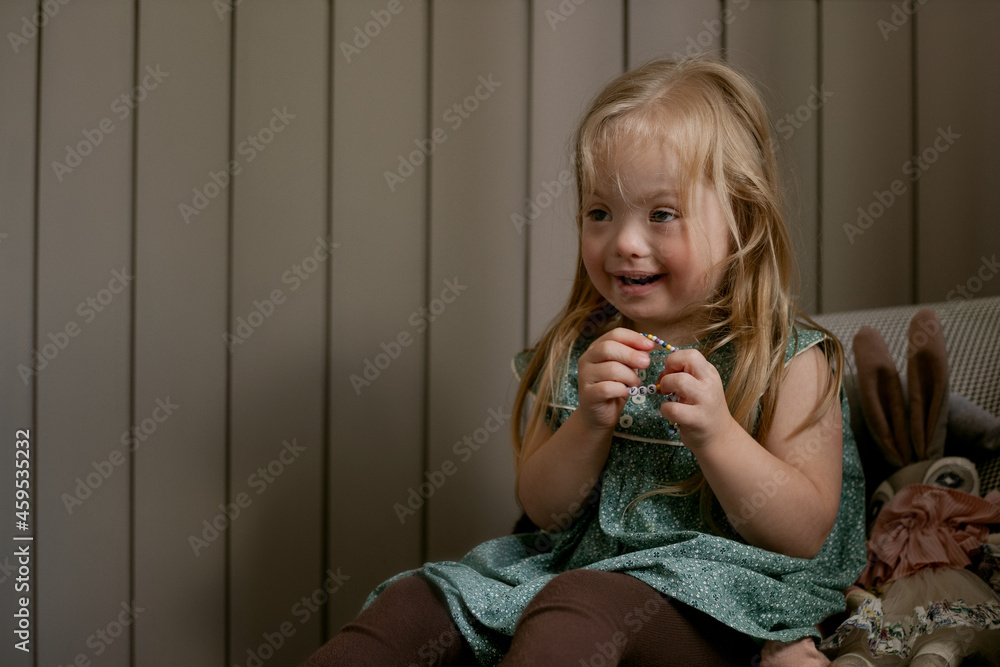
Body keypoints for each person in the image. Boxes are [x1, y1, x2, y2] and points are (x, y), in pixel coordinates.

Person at [302, 56, 866, 667]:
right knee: (415, 603)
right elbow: (545, 509)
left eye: (661, 214)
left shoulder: (788, 359)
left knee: (579, 605)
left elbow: (804, 533)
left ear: (742, 219)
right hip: (575, 567)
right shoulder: (579, 349)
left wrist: (718, 433)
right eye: (600, 213)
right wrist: (588, 424)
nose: (623, 240)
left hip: (729, 594)